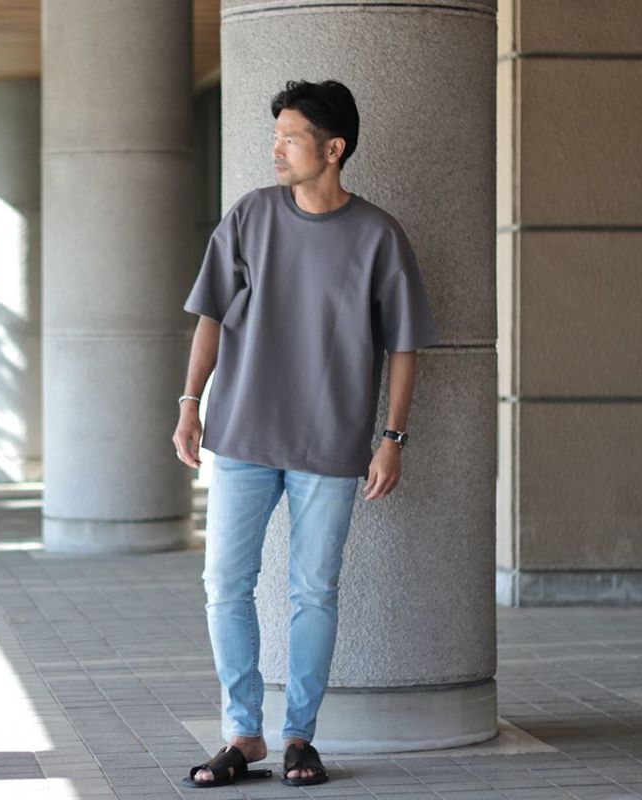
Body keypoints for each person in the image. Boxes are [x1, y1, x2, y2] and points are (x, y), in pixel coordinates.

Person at [173, 79, 439, 789]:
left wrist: (393, 438)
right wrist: (190, 402)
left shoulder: (378, 235)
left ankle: (299, 738)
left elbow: (404, 345)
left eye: (289, 137)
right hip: (242, 435)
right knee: (225, 583)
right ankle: (242, 733)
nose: (276, 149)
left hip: (330, 442)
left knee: (314, 591)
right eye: (277, 136)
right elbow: (210, 316)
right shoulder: (250, 216)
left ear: (333, 148)